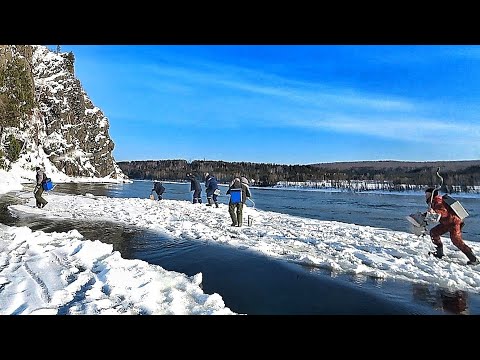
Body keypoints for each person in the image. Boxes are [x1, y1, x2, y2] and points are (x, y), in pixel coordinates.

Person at [425, 187, 478, 265]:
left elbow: (443, 212)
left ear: (432, 194)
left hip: (454, 223)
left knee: (457, 241)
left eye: (427, 194)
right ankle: (439, 252)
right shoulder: (433, 202)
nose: (426, 196)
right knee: (434, 232)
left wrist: (435, 212)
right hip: (446, 223)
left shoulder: (438, 201)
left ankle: (474, 259)